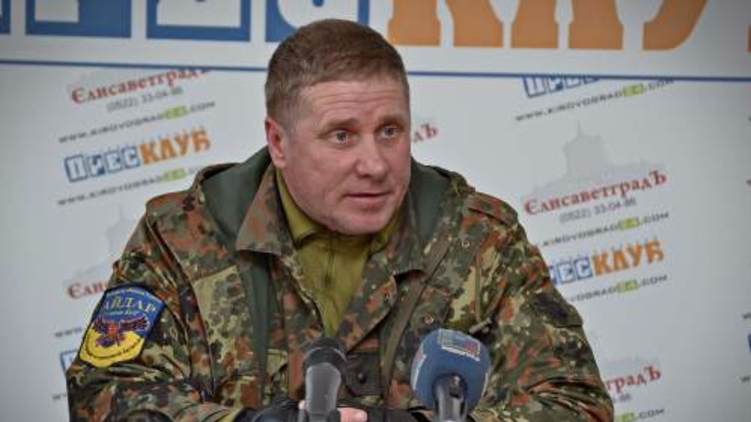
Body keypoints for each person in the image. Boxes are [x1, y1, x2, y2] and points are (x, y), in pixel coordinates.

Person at [66, 18, 613, 422]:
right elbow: (106, 395)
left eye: (390, 130)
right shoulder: (182, 236)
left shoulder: (479, 237)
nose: (374, 164)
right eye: (342, 135)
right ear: (279, 142)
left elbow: (575, 403)